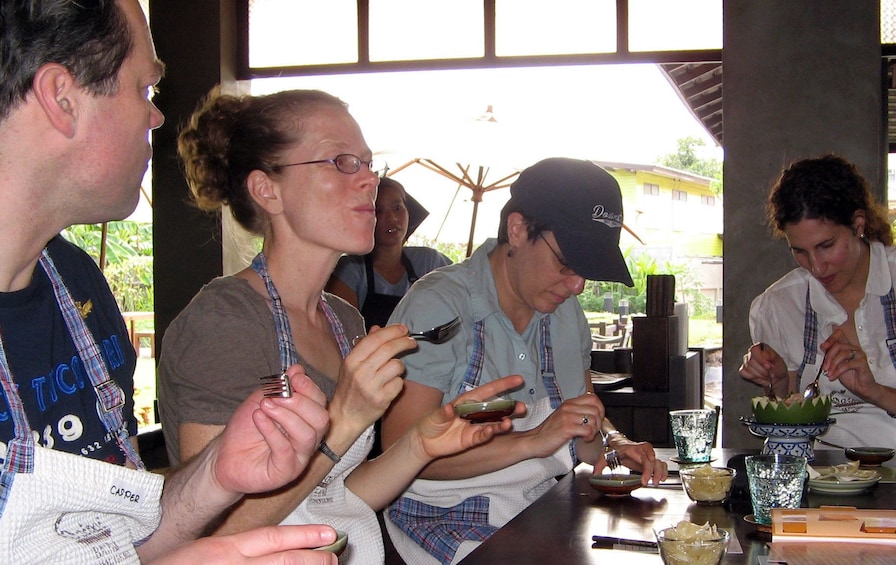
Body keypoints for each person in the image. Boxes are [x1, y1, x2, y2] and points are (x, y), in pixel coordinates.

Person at [0, 0, 339, 562]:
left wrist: (217, 475)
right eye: (144, 90)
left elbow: (113, 540)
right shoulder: (223, 316)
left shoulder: (77, 285)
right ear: (62, 99)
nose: (158, 118)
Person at [158, 87, 524, 564]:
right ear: (268, 190)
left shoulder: (341, 317)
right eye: (341, 161)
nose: (370, 181)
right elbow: (209, 531)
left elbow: (334, 497)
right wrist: (348, 415)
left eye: (369, 164)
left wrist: (420, 443)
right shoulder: (224, 323)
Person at [381, 157, 670, 564]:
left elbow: (579, 426)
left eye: (586, 271)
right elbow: (399, 455)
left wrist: (616, 444)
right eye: (566, 264)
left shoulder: (566, 314)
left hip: (536, 508)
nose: (577, 285)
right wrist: (534, 440)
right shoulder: (438, 306)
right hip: (441, 518)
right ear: (517, 230)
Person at [738, 154, 896, 449]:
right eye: (800, 251)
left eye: (827, 246)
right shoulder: (778, 304)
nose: (816, 267)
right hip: (822, 473)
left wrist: (875, 392)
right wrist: (777, 384)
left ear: (858, 223)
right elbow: (789, 422)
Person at [327, 177, 452, 329]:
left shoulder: (429, 261)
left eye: (397, 208)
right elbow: (344, 331)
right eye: (378, 211)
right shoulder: (351, 269)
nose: (392, 218)